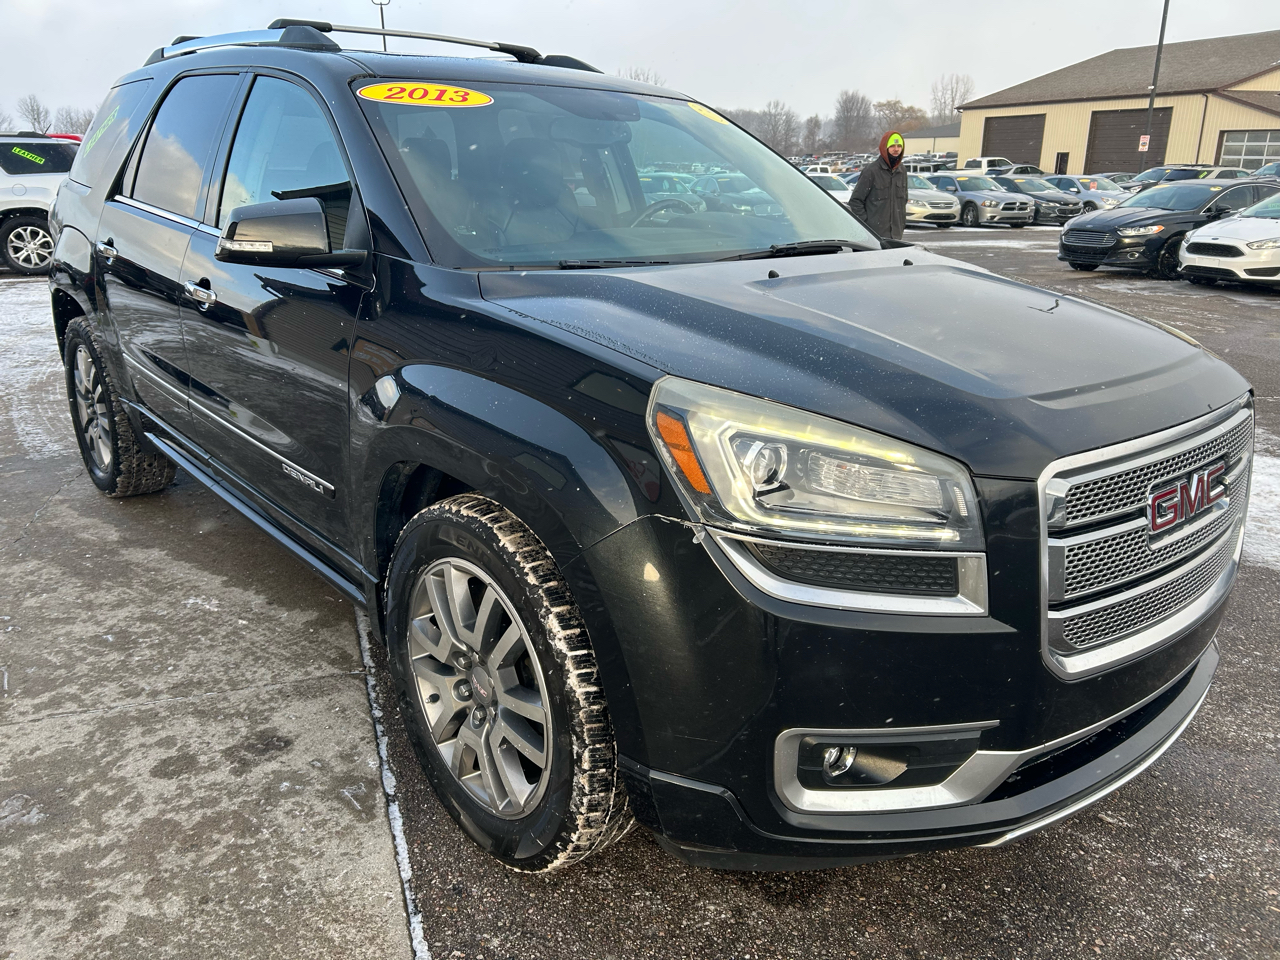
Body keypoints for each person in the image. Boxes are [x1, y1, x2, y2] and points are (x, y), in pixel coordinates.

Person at [848, 130, 908, 239]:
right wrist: (867, 225)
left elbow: (903, 201)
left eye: (899, 146)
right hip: (874, 236)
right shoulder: (871, 171)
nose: (896, 149)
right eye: (892, 146)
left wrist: (901, 223)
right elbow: (856, 201)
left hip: (896, 236)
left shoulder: (902, 171)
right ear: (885, 147)